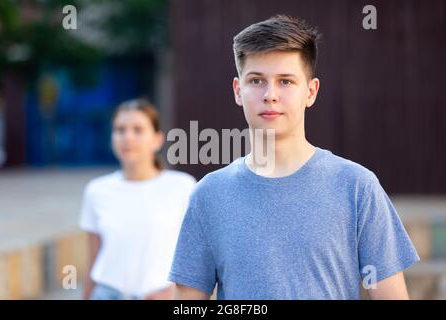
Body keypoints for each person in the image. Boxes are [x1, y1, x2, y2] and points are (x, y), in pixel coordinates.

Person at [168, 15, 419, 300]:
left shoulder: (357, 186)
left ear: (310, 92)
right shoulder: (208, 195)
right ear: (238, 91)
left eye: (285, 81)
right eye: (256, 80)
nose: (270, 95)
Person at [80, 98, 196, 300]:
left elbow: (198, 257)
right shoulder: (97, 191)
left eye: (138, 130)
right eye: (120, 130)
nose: (128, 137)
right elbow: (93, 258)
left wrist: (176, 294)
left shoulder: (183, 186)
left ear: (157, 139)